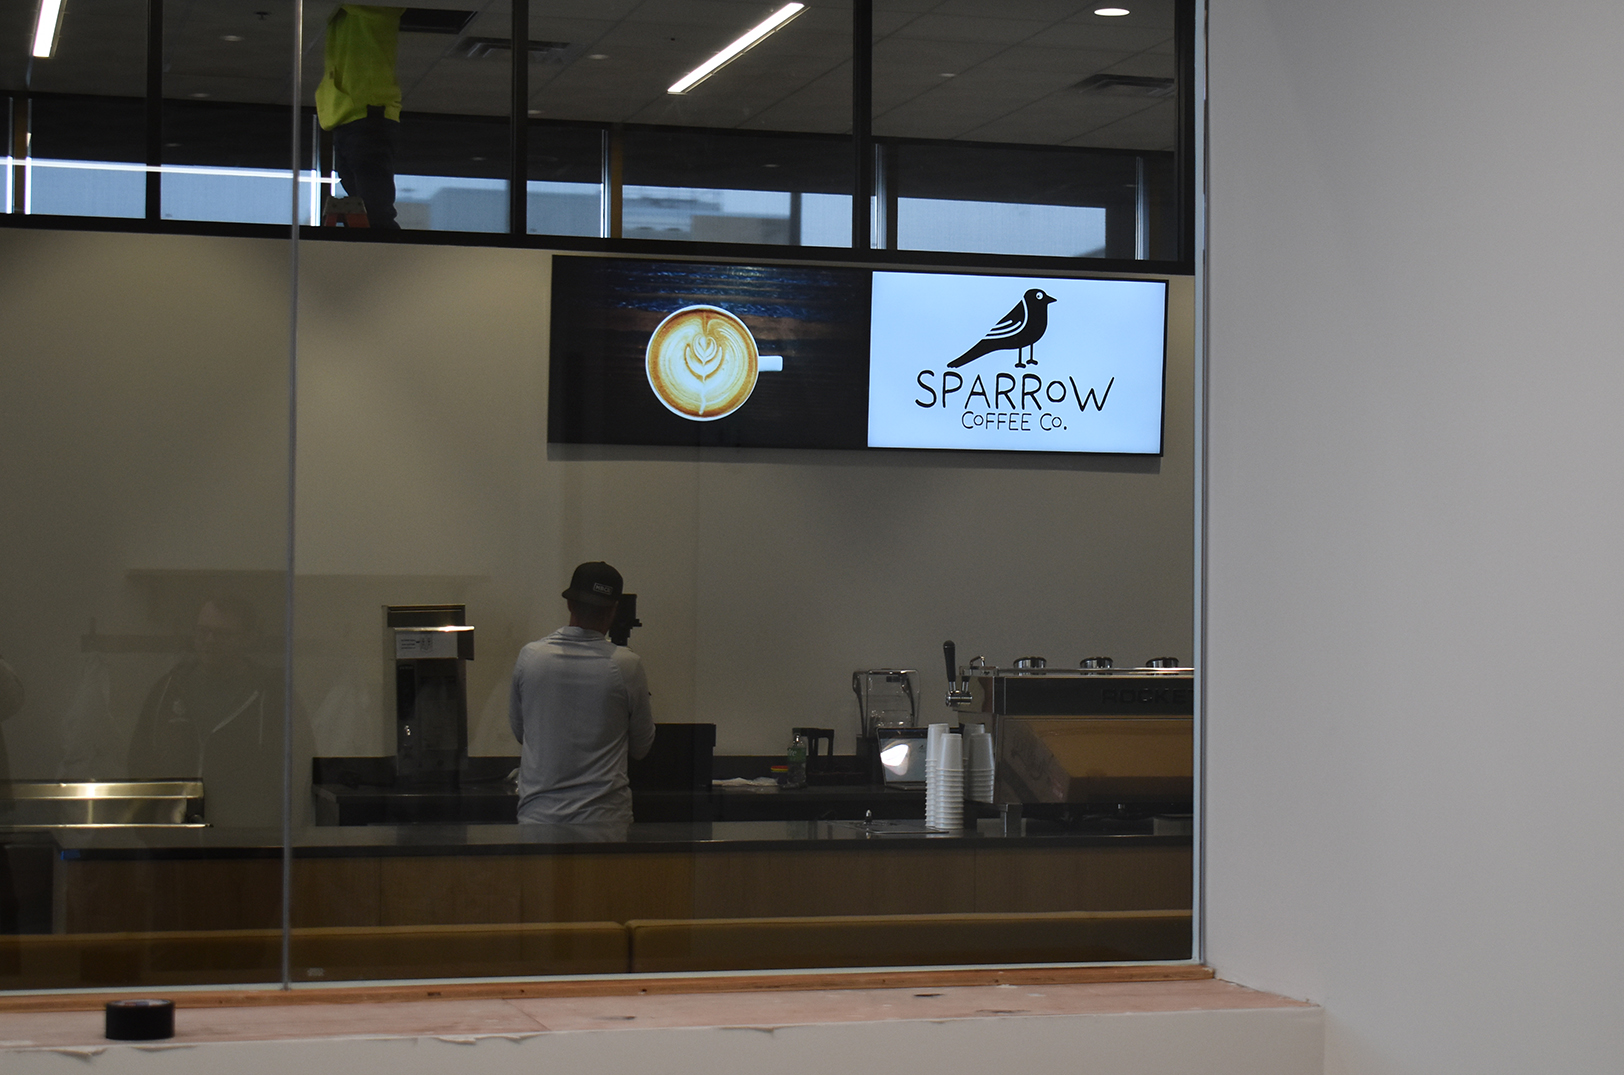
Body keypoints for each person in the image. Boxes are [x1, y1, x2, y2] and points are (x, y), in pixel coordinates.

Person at [127, 596, 311, 828]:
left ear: (247, 638)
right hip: (174, 838)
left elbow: (299, 773)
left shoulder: (272, 697)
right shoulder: (168, 690)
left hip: (247, 840)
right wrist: (150, 832)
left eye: (222, 634)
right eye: (203, 631)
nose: (210, 641)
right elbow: (140, 763)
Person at [509, 562, 655, 826]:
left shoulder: (531, 657)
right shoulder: (626, 665)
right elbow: (641, 748)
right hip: (605, 821)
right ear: (614, 610)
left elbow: (522, 733)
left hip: (540, 819)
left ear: (569, 604)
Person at [315, 5, 405, 229]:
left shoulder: (373, 9)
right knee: (368, 202)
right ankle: (378, 240)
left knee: (371, 204)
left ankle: (380, 240)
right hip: (358, 114)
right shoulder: (355, 13)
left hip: (362, 114)